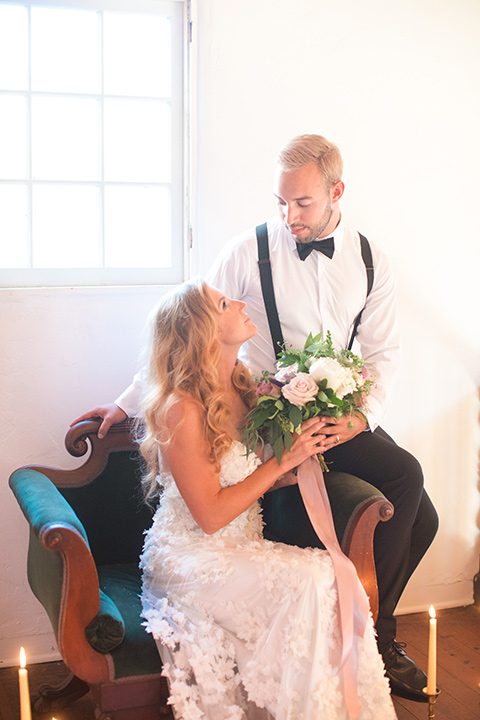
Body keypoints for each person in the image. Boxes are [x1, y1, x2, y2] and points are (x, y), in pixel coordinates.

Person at [73, 134, 438, 703]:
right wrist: (124, 403)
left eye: (303, 204)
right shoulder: (250, 250)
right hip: (270, 416)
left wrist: (361, 417)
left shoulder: (371, 260)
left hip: (341, 413)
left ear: (337, 192)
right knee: (407, 477)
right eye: (280, 202)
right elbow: (185, 330)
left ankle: (373, 630)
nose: (288, 215)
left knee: (426, 518)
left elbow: (383, 354)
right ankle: (382, 641)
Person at [137, 279, 396, 720]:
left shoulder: (246, 388)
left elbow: (250, 479)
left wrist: (303, 456)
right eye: (223, 303)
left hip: (241, 546)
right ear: (202, 331)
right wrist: (279, 463)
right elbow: (212, 516)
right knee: (316, 577)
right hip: (192, 556)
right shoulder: (179, 407)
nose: (239, 303)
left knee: (332, 574)